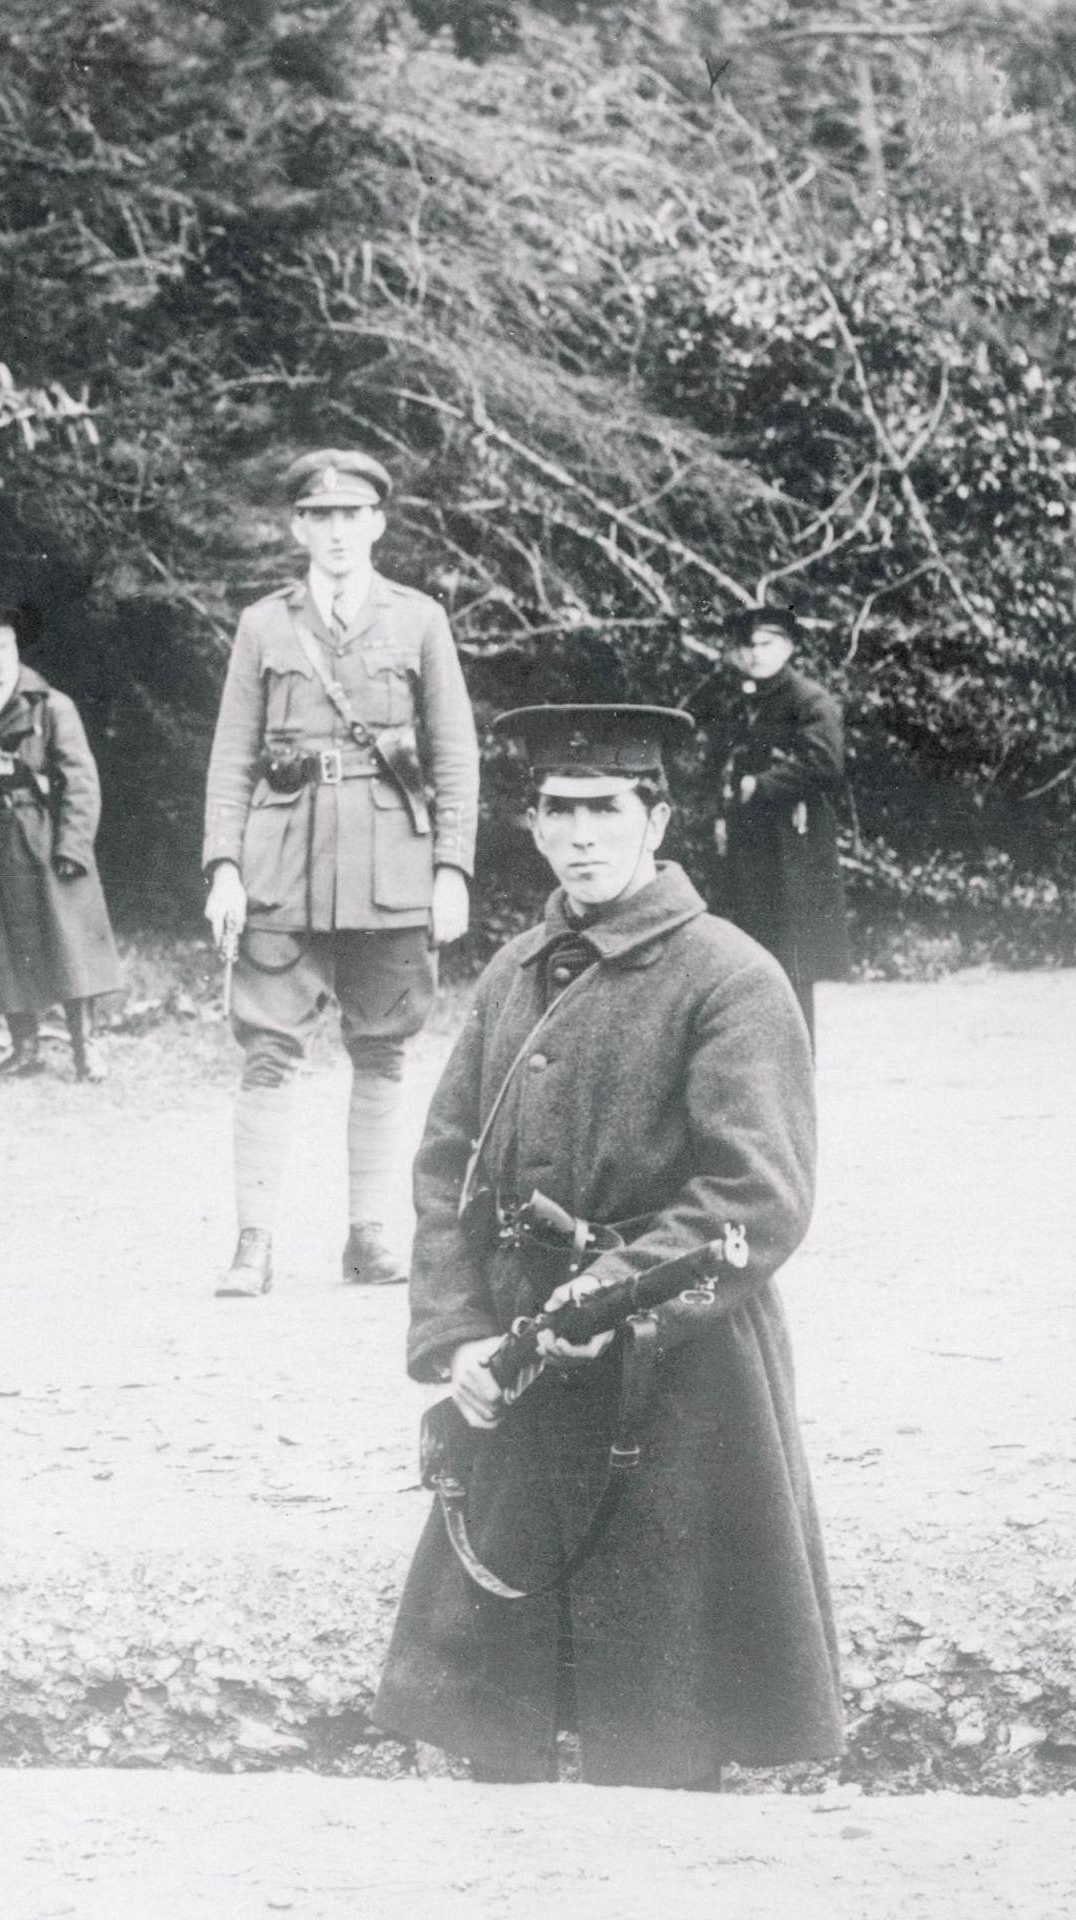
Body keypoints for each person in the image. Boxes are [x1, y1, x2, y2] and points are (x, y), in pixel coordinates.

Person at [374, 704, 839, 1790]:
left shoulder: (732, 975)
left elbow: (755, 1197)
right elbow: (447, 1168)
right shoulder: (515, 971)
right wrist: (459, 1341)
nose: (582, 834)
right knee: (505, 1716)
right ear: (532, 826)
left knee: (665, 1706)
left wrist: (608, 1297)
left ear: (657, 816)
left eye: (607, 808)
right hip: (520, 1375)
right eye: (558, 811)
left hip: (682, 1381)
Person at [200, 447, 482, 1297]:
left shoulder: (420, 619)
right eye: (319, 517)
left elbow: (455, 754)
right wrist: (222, 867)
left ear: (379, 524)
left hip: (390, 865)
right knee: (267, 1051)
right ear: (297, 527)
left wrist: (452, 870)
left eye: (351, 516)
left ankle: (368, 1233)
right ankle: (254, 1241)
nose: (335, 533)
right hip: (280, 863)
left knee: (384, 1050)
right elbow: (230, 757)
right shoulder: (263, 625)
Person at [0, 601, 124, 1080]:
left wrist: (74, 846)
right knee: (1, 944)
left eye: (7, 647)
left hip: (45, 835)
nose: (0, 659)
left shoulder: (51, 705)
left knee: (69, 943)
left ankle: (85, 1048)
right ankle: (25, 1049)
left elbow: (81, 782)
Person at [685, 603, 856, 1037]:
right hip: (745, 846)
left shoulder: (808, 700)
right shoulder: (737, 702)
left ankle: (798, 1067)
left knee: (792, 963)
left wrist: (759, 786)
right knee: (744, 958)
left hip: (793, 849)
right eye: (746, 646)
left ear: (789, 647)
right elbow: (716, 765)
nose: (756, 654)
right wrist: (718, 812)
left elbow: (825, 764)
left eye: (767, 643)